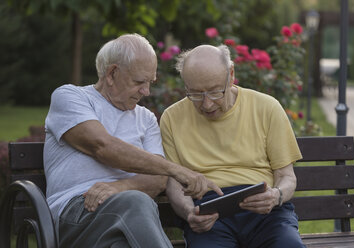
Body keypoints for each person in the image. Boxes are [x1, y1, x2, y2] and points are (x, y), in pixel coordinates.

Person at [44, 34, 222, 248]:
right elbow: (102, 146)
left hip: (126, 220)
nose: (146, 92)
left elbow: (157, 180)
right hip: (76, 215)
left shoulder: (146, 119)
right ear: (112, 73)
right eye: (139, 82)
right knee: (136, 201)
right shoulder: (71, 97)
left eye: (150, 83)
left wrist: (121, 187)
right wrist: (177, 170)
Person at [160, 44, 305, 248]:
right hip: (209, 214)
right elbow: (173, 184)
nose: (207, 104)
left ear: (231, 74)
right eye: (195, 94)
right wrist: (189, 213)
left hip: (264, 212)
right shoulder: (172, 118)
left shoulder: (267, 108)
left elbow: (286, 177)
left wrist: (276, 196)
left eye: (214, 92)